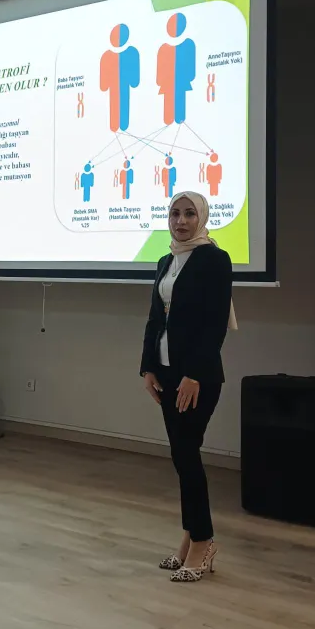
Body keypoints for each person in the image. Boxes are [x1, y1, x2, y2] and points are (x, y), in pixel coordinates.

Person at [140, 191, 236, 583]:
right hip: (166, 374)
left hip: (197, 378)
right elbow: (154, 318)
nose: (181, 221)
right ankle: (191, 537)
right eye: (175, 213)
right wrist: (148, 367)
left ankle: (203, 541)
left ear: (202, 217)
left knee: (187, 457)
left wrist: (194, 374)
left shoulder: (214, 259)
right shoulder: (166, 261)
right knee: (182, 458)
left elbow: (214, 323)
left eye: (189, 213)